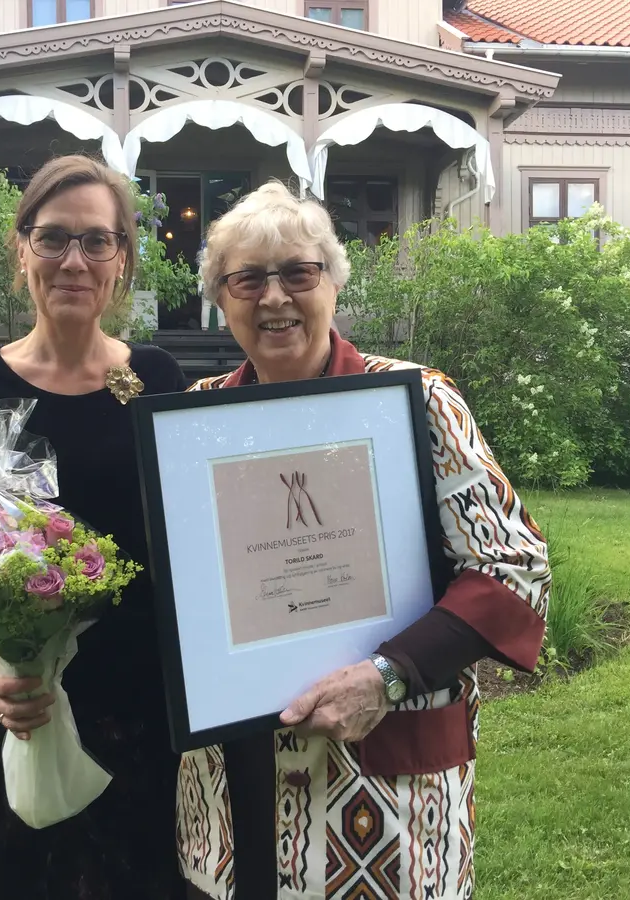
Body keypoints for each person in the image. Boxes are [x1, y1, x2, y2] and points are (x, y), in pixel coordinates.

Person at [179, 181, 552, 900]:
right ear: (220, 300)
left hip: (381, 798)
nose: (275, 298)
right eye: (247, 279)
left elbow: (512, 568)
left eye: (298, 273)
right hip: (230, 796)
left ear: (333, 285)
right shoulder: (198, 421)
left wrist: (386, 675)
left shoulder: (416, 401)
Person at [0, 154, 190, 900]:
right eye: (53, 238)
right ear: (21, 248)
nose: (74, 260)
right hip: (12, 713)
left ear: (122, 259)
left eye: (96, 241)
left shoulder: (157, 382)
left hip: (137, 716)